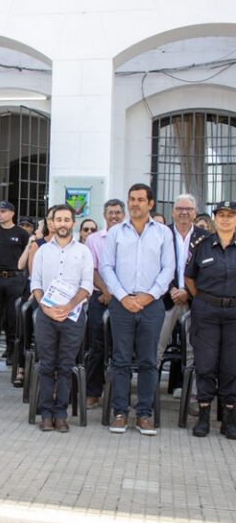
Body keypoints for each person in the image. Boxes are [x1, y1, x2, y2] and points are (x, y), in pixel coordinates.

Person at [100, 183, 174, 435]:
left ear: (150, 203)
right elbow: (106, 267)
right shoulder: (116, 233)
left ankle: (144, 414)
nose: (135, 203)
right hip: (122, 305)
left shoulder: (163, 233)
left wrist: (148, 296)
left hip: (151, 305)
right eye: (131, 199)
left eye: (141, 199)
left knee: (148, 361)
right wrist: (123, 297)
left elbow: (168, 269)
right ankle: (120, 412)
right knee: (120, 360)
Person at [30, 204, 93, 432]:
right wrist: (45, 309)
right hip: (46, 316)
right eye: (59, 220)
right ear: (52, 223)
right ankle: (46, 413)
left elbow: (87, 285)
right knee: (47, 365)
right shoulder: (43, 251)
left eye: (67, 220)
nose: (63, 224)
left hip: (73, 316)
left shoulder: (83, 252)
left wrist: (68, 306)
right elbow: (35, 284)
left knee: (66, 366)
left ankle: (61, 414)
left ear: (73, 223)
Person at [185, 200, 236, 439]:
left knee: (231, 366)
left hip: (234, 314)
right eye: (221, 215)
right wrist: (205, 301)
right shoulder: (202, 245)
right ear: (215, 218)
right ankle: (204, 415)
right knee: (205, 364)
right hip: (206, 312)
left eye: (230, 215)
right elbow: (189, 279)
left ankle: (228, 417)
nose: (225, 219)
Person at [156, 195, 208, 397]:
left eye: (189, 208)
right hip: (166, 299)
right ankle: (150, 398)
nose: (184, 212)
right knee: (155, 348)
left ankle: (193, 398)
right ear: (173, 211)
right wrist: (172, 289)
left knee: (195, 351)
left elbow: (207, 270)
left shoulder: (205, 237)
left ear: (195, 212)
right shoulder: (162, 233)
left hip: (194, 300)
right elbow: (155, 266)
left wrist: (187, 291)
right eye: (180, 208)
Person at [84, 199, 125, 408]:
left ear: (123, 215)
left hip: (124, 299)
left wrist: (116, 293)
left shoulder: (129, 237)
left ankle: (120, 395)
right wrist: (107, 291)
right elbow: (91, 269)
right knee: (97, 346)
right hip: (100, 297)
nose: (114, 216)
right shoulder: (93, 239)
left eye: (118, 212)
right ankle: (93, 391)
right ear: (104, 215)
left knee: (121, 347)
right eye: (110, 213)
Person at [0, 201, 28, 366]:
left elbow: (26, 256)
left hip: (14, 278)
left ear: (12, 213)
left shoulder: (22, 234)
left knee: (12, 316)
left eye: (3, 211)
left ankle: (10, 351)